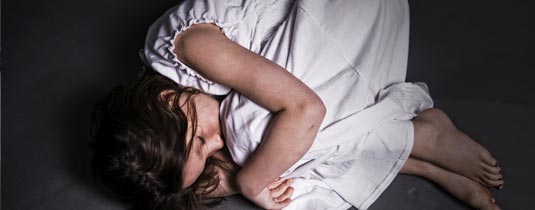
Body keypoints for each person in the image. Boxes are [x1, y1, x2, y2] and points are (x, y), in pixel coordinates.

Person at [89, 0, 504, 210]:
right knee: (266, 162)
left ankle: (421, 137)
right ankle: (416, 159)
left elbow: (306, 109)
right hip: (323, 39)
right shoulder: (180, 107)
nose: (216, 142)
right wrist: (235, 177)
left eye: (201, 139)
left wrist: (250, 184)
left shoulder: (191, 48)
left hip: (344, 11)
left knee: (253, 139)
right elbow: (202, 175)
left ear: (166, 99)